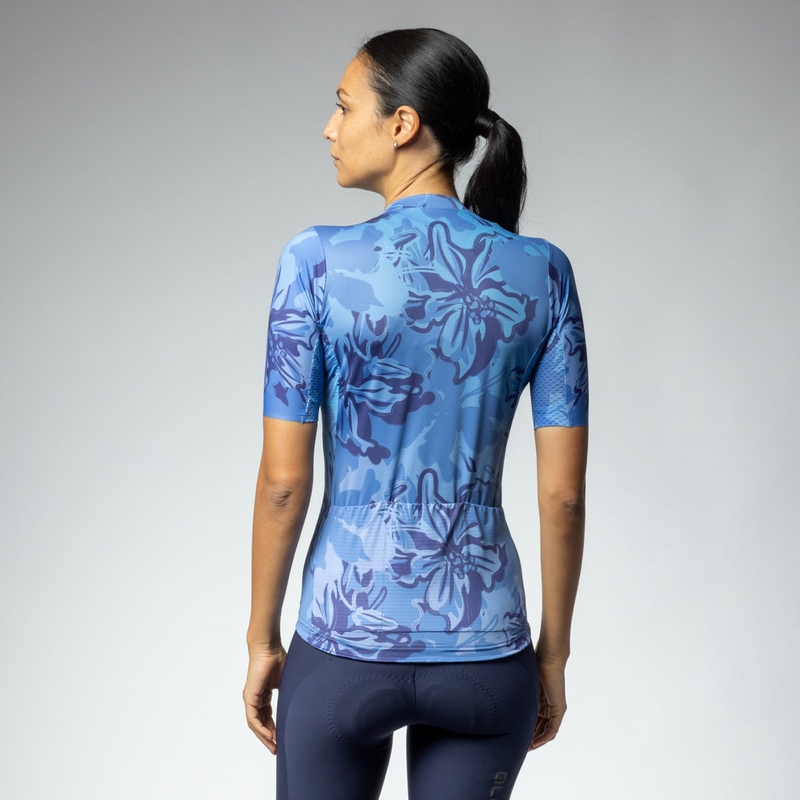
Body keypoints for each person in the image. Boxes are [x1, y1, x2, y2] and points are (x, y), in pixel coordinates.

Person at [243, 28, 588, 800]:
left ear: (402, 124)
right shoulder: (543, 273)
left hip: (343, 641)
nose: (329, 128)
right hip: (488, 647)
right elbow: (563, 496)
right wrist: (553, 657)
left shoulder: (315, 263)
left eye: (343, 107)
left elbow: (282, 484)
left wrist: (262, 638)